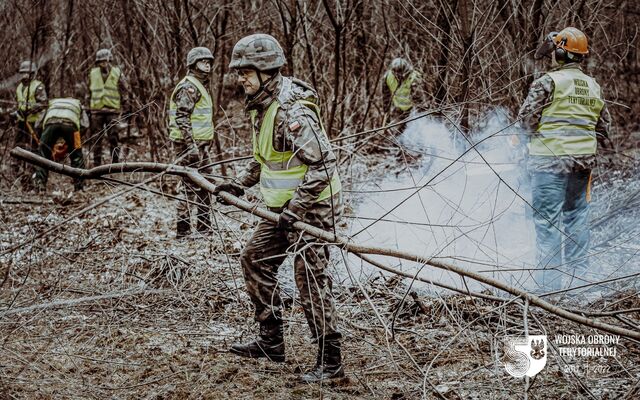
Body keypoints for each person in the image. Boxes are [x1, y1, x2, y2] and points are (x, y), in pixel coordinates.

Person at [215, 33, 344, 383]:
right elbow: (266, 158)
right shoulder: (262, 104)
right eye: (238, 71)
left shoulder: (293, 110)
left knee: (309, 279)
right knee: (253, 259)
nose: (239, 78)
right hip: (284, 209)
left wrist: (296, 211)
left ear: (267, 70)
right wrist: (238, 182)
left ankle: (331, 364)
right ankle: (271, 343)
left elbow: (323, 165)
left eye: (245, 71)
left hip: (313, 207)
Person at [518, 27, 611, 290]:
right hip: (582, 164)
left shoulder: (548, 82)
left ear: (559, 53)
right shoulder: (593, 86)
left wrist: (531, 140)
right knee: (577, 218)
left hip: (549, 162)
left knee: (547, 223)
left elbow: (526, 120)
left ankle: (549, 289)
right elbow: (605, 128)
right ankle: (578, 283)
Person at [167, 47, 215, 238]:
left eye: (209, 61)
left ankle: (204, 229)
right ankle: (183, 231)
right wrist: (191, 146)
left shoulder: (199, 85)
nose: (208, 64)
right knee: (188, 187)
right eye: (203, 61)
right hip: (189, 146)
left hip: (200, 145)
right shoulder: (189, 87)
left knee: (206, 184)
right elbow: (182, 117)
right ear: (193, 64)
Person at [33, 98, 88, 192]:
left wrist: (41, 139)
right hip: (71, 124)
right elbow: (85, 125)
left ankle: (40, 185)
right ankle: (79, 187)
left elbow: (38, 124)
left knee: (43, 155)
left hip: (50, 123)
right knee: (77, 155)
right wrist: (73, 142)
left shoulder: (52, 102)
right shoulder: (78, 103)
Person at [88, 48, 128, 165]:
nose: (103, 64)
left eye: (105, 61)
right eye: (101, 62)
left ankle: (115, 163)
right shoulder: (92, 73)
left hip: (113, 111)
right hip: (96, 111)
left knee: (114, 138)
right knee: (97, 139)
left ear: (110, 60)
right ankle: (97, 164)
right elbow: (88, 91)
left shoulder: (117, 72)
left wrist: (125, 106)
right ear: (98, 63)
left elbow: (124, 90)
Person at [12, 60, 47, 185]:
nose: (24, 76)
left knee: (34, 149)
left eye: (26, 73)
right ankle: (17, 173)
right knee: (18, 146)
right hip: (21, 122)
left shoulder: (38, 86)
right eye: (22, 73)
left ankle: (34, 174)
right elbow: (19, 104)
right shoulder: (19, 87)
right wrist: (16, 113)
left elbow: (43, 103)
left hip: (34, 124)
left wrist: (30, 111)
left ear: (32, 74)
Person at [382, 57, 422, 130]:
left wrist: (418, 112)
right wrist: (386, 110)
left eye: (400, 71)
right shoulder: (388, 77)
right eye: (395, 71)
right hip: (398, 109)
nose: (398, 74)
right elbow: (386, 96)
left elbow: (418, 98)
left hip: (412, 109)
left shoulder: (414, 77)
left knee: (413, 130)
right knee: (398, 131)